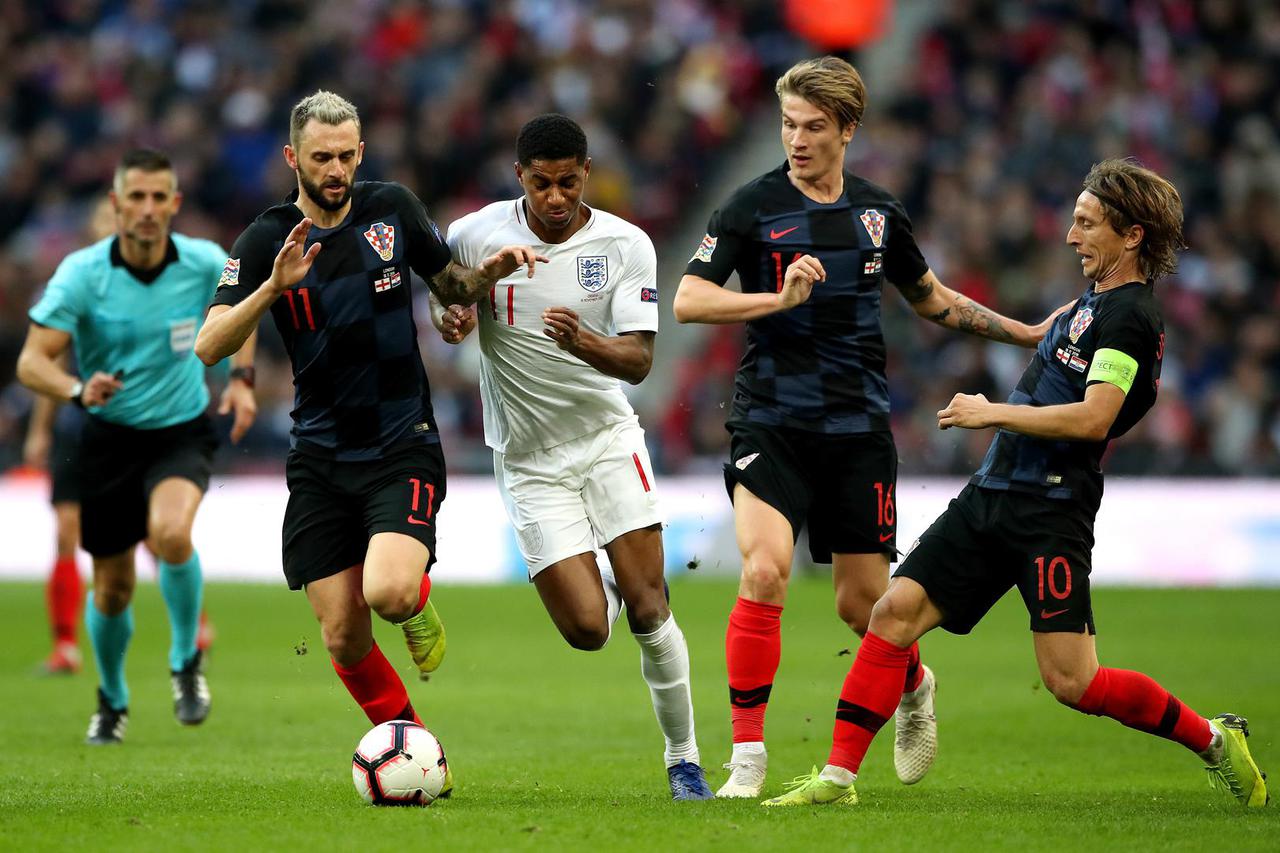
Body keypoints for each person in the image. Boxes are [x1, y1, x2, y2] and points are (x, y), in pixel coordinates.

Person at [762, 159, 1270, 808]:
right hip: (992, 492)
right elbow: (1051, 357)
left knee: (1072, 682)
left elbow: (1095, 417)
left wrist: (992, 412)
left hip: (1051, 509)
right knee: (891, 614)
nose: (1071, 235)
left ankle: (1215, 740)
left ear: (1132, 235)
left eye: (1087, 223)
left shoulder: (1131, 318)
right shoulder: (1091, 304)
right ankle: (838, 777)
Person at [673, 56, 1063, 798]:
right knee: (764, 571)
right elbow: (689, 300)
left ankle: (915, 683)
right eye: (788, 124)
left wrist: (1025, 333)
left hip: (857, 431)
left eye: (813, 127)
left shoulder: (879, 214)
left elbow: (931, 298)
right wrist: (775, 301)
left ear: (848, 129)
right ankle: (747, 759)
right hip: (771, 421)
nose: (796, 139)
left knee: (863, 605)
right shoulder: (751, 207)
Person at [194, 91, 542, 797]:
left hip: (400, 440)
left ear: (361, 152)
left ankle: (415, 601)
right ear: (292, 158)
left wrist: (485, 279)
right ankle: (418, 749)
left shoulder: (392, 209)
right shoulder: (267, 240)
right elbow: (209, 344)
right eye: (320, 157)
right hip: (319, 456)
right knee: (342, 637)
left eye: (346, 155)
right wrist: (271, 289)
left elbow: (451, 287)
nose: (335, 169)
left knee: (386, 591)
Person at [439, 113, 713, 800]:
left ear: (587, 172)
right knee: (589, 630)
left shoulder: (625, 244)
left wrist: (583, 341)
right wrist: (457, 315)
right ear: (519, 177)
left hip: (606, 440)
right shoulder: (473, 234)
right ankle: (618, 573)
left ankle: (684, 761)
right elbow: (449, 300)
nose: (556, 197)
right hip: (527, 459)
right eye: (542, 184)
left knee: (650, 610)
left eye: (568, 182)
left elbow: (640, 360)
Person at [16, 149, 258, 743]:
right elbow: (31, 362)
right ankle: (112, 697)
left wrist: (241, 380)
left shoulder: (205, 262)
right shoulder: (82, 274)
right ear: (116, 204)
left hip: (180, 431)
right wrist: (76, 389)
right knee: (113, 588)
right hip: (107, 439)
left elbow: (242, 310)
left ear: (174, 203)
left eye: (158, 198)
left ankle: (185, 661)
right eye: (137, 198)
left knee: (171, 534)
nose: (148, 209)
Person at [23, 197, 217, 676]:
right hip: (81, 427)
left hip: (145, 428)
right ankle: (65, 645)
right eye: (105, 219)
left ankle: (193, 622)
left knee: (154, 532)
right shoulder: (76, 282)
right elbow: (49, 359)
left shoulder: (164, 281)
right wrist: (41, 429)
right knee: (66, 531)